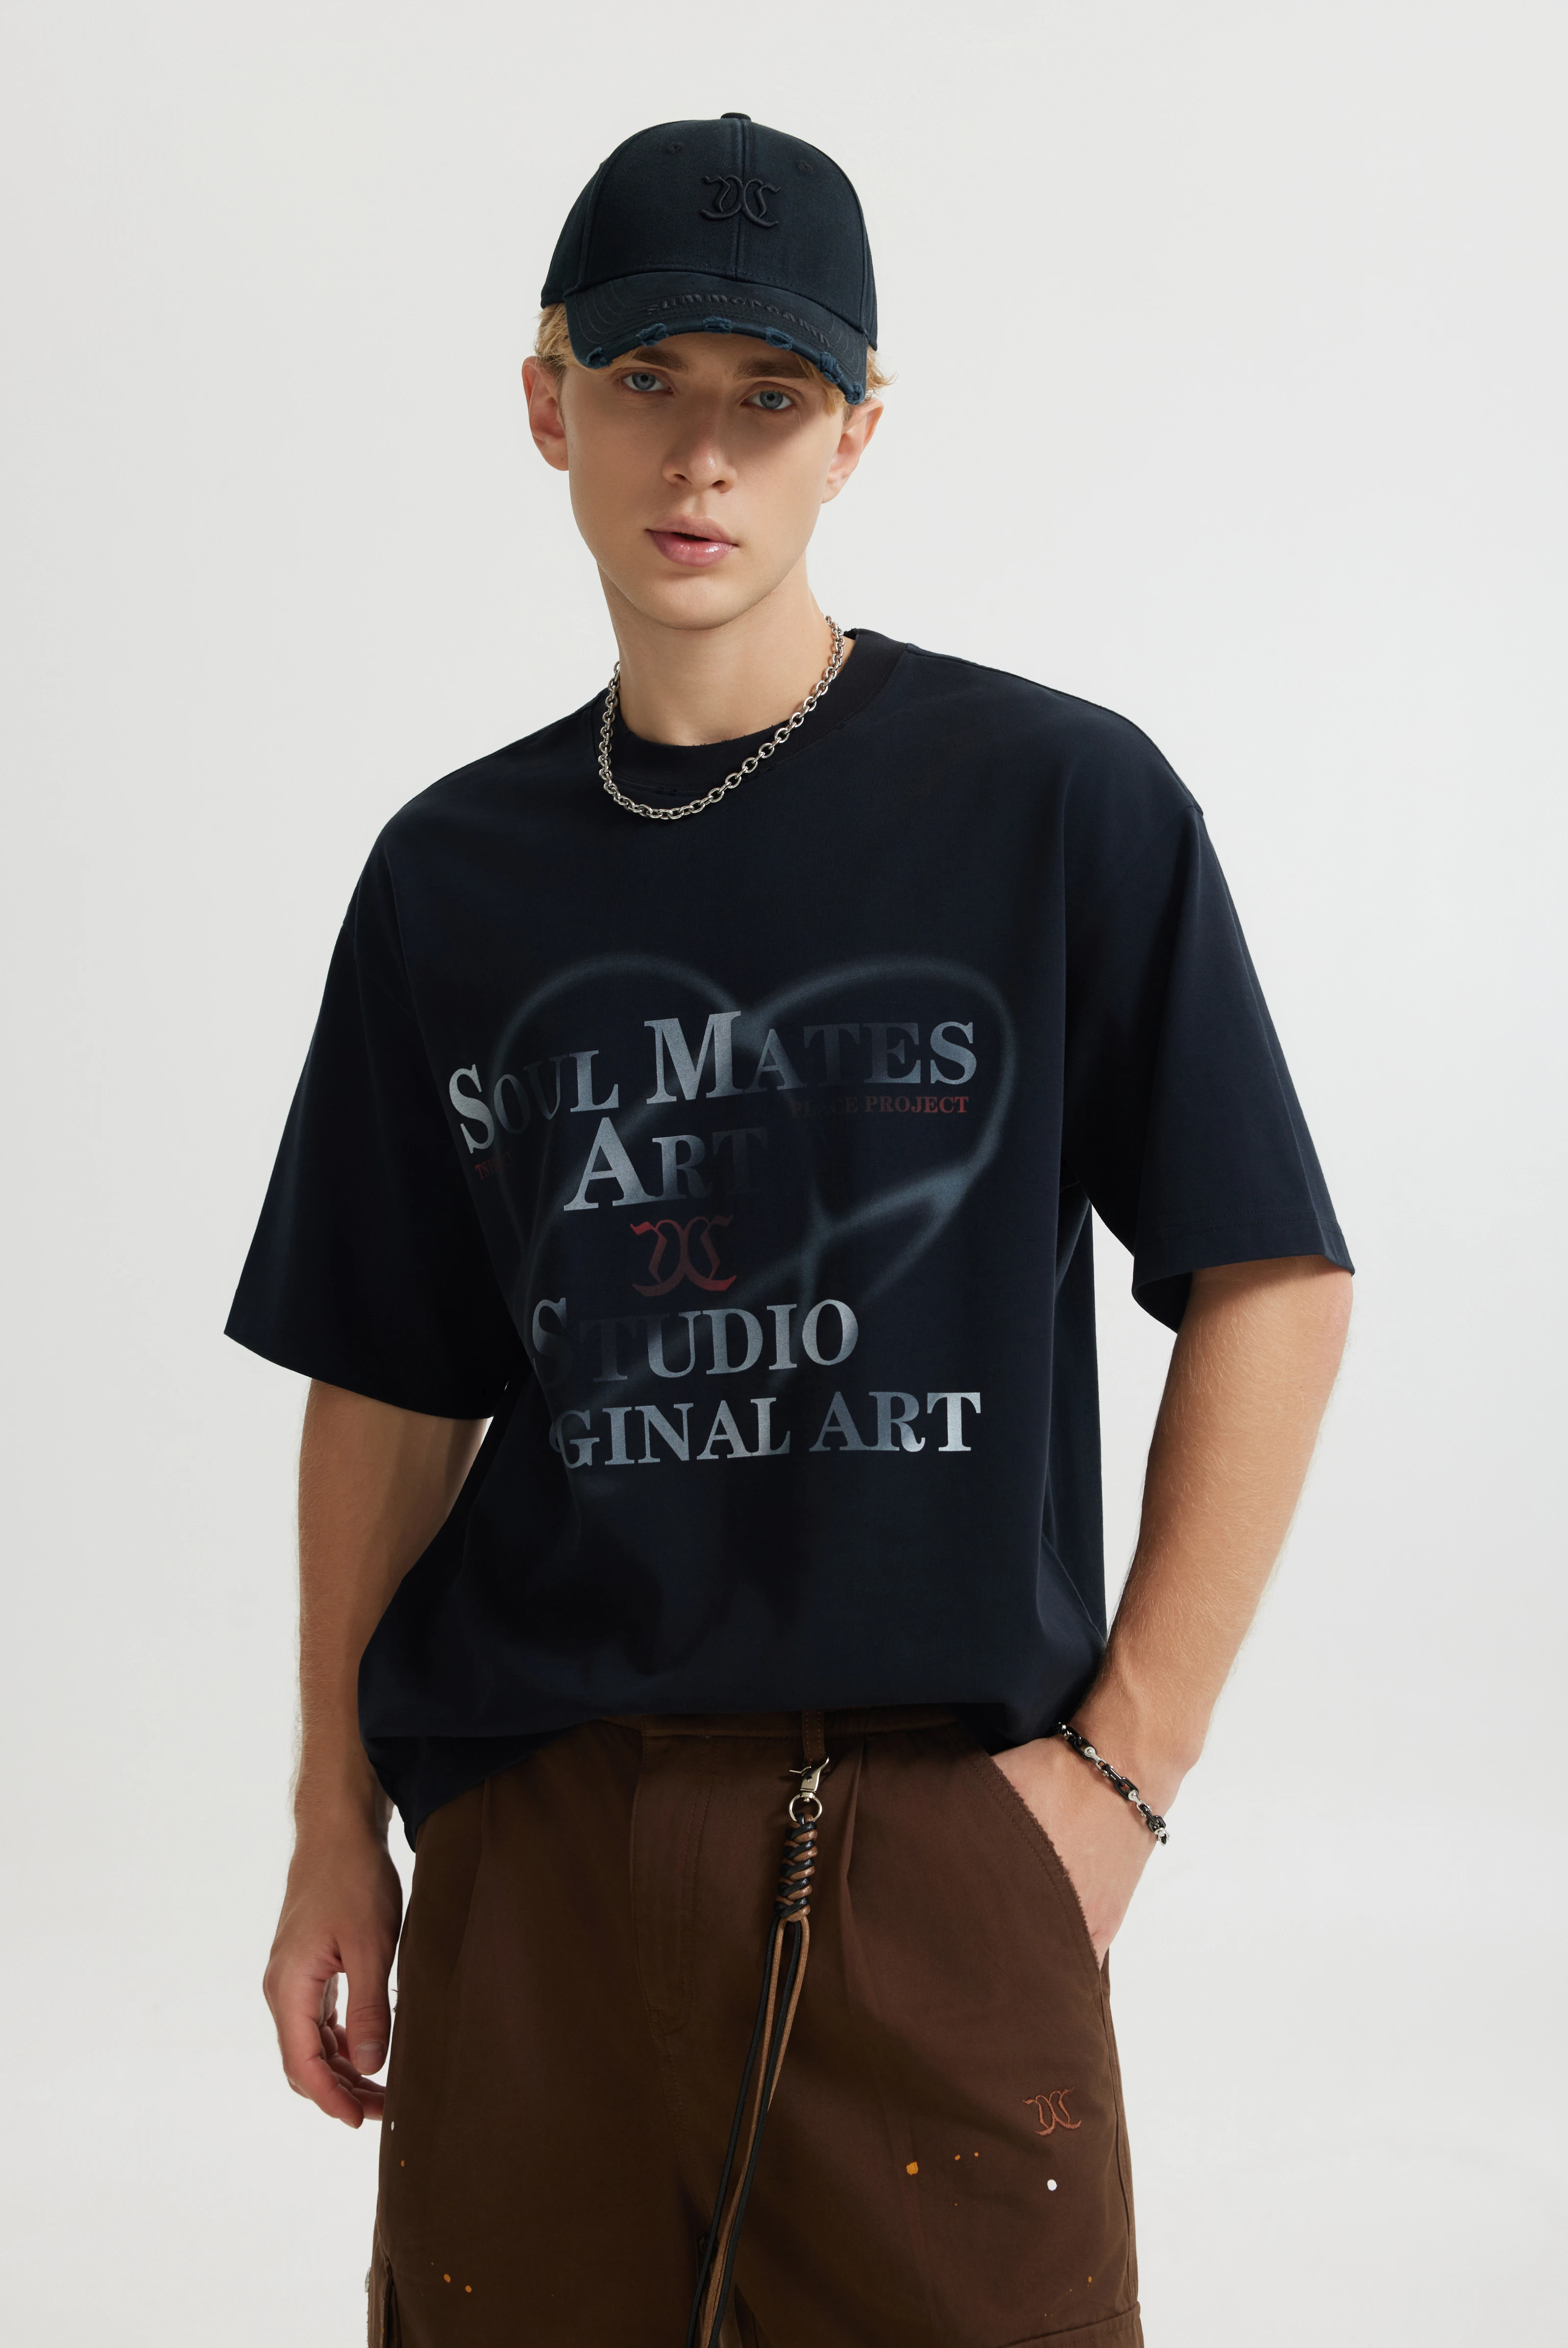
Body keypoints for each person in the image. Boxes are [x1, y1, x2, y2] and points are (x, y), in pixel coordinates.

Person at [229, 111, 1353, 2348]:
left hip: (929, 1843)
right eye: (646, 380)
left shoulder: (1053, 802)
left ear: (855, 432)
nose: (701, 458)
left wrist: (1122, 1770)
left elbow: (1271, 1275)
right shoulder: (452, 876)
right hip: (536, 1850)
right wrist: (332, 1822)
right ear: (546, 400)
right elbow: (392, 1382)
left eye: (769, 397)